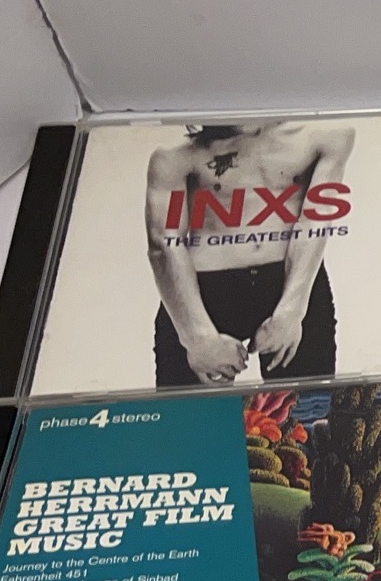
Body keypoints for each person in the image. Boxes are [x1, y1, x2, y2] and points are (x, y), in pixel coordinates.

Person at [145, 122, 353, 387]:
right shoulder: (175, 155)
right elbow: (163, 243)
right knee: (189, 410)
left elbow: (315, 223)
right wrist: (197, 337)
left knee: (307, 406)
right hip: (202, 292)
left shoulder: (327, 136)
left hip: (291, 281)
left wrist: (291, 312)